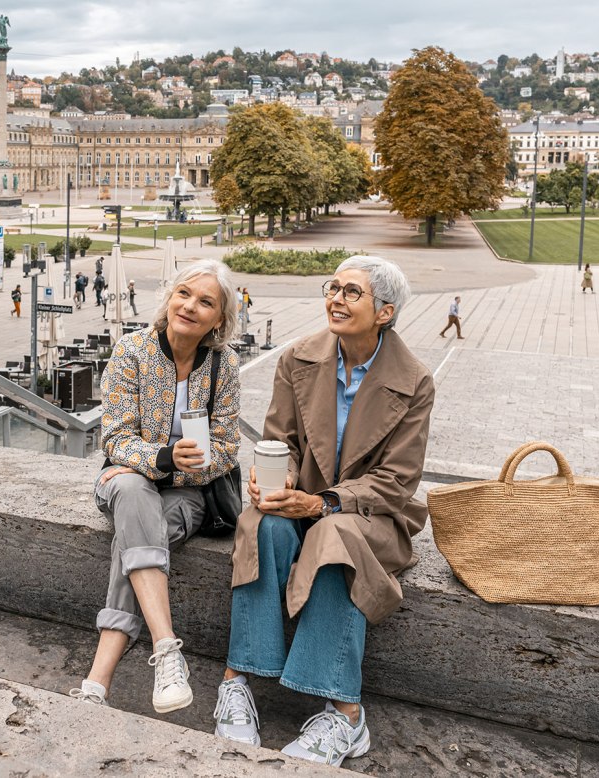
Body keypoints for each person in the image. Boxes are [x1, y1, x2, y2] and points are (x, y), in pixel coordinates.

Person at [213, 256, 435, 767]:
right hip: (305, 501)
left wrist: (322, 502)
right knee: (263, 522)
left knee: (334, 536)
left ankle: (345, 715)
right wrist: (279, 477)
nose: (334, 298)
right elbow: (280, 439)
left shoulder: (415, 380)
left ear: (384, 312)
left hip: (372, 516)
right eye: (332, 287)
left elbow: (397, 482)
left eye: (350, 292)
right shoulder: (299, 358)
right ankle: (238, 678)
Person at [70, 259, 240, 712]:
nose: (190, 306)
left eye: (206, 302)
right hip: (126, 484)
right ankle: (167, 649)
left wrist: (173, 470)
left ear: (219, 319)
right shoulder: (133, 351)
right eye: (184, 293)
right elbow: (115, 437)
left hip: (187, 496)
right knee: (130, 492)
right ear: (169, 298)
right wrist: (163, 459)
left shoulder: (223, 366)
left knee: (138, 528)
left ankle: (95, 687)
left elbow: (225, 450)